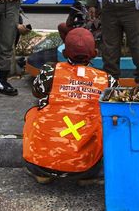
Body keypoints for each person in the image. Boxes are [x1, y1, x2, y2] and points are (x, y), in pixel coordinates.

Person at [23, 28, 109, 186]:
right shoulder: (106, 79)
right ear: (95, 53)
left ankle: (42, 172)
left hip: (40, 163)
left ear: (64, 52)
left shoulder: (50, 70)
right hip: (87, 166)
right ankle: (86, 177)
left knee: (35, 111)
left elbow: (37, 92)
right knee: (105, 119)